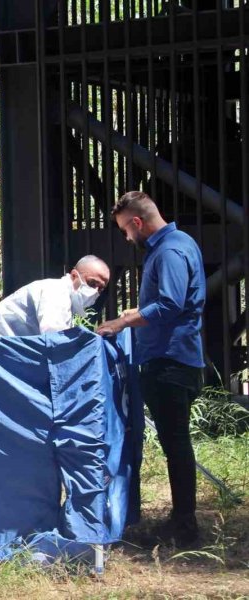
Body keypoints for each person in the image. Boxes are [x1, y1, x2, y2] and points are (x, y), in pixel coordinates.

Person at [98, 191, 205, 546]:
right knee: (175, 443)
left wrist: (124, 321)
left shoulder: (170, 250)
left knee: (176, 444)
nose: (127, 238)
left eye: (125, 231)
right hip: (174, 359)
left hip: (169, 361)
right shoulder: (177, 244)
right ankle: (181, 520)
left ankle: (185, 528)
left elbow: (171, 304)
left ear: (138, 222)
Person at [0, 255, 110, 337]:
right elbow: (56, 338)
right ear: (74, 275)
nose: (96, 291)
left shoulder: (65, 298)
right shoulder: (56, 291)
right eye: (92, 283)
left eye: (101, 288)